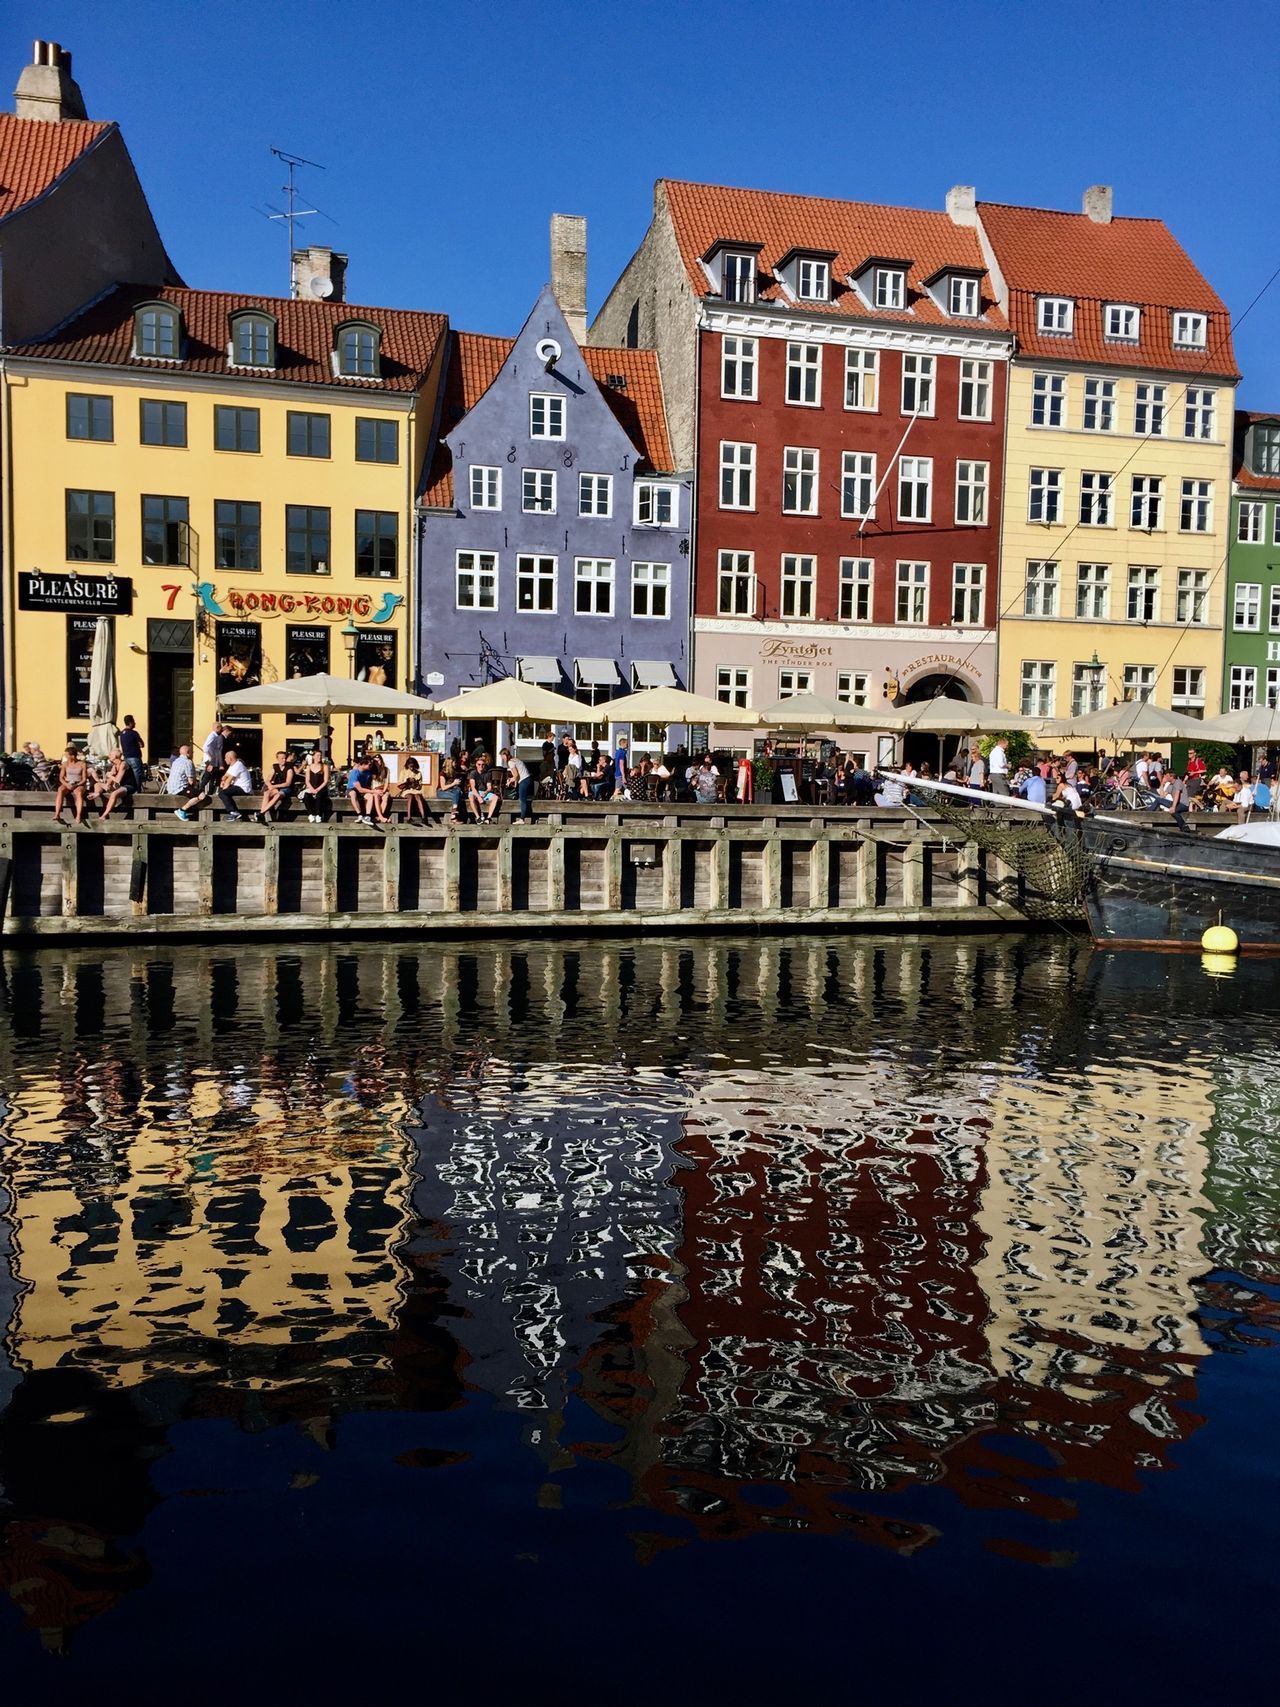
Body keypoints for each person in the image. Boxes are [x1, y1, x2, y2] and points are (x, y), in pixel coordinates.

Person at [254, 751, 297, 823]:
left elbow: (288, 783)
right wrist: (270, 785)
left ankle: (262, 813)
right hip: (277, 787)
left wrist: (274, 786)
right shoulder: (275, 767)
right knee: (267, 793)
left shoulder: (289, 768)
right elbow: (268, 779)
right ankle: (261, 815)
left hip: (286, 789)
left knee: (278, 795)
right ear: (277, 759)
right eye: (282, 758)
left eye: (285, 758)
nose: (284, 760)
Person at [95, 748, 136, 823]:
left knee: (114, 794)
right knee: (97, 784)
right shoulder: (114, 765)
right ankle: (97, 793)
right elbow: (111, 779)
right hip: (119, 786)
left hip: (129, 786)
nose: (109, 755)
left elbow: (118, 780)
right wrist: (107, 785)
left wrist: (109, 775)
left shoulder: (123, 764)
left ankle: (104, 815)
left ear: (116, 756)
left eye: (111, 754)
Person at [54, 747, 90, 824]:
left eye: (67, 755)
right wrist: (67, 784)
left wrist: (76, 784)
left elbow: (84, 779)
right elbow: (61, 778)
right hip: (68, 783)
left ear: (72, 756)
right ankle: (57, 814)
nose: (66, 757)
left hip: (78, 783)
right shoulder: (65, 764)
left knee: (79, 793)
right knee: (60, 790)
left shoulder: (82, 764)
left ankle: (78, 815)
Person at [499, 749, 534, 822]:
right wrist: (514, 783)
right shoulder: (515, 760)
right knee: (522, 798)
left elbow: (516, 775)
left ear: (505, 755)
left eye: (502, 756)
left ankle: (522, 819)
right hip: (527, 779)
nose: (502, 758)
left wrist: (509, 781)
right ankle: (523, 817)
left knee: (522, 800)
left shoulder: (510, 762)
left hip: (524, 780)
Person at [299, 750, 332, 822]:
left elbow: (325, 780)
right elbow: (307, 780)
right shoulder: (309, 767)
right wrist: (312, 789)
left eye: (320, 755)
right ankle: (310, 814)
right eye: (317, 755)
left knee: (319, 796)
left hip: (321, 788)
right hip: (311, 787)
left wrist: (317, 789)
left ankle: (318, 815)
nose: (319, 757)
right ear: (313, 756)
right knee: (306, 796)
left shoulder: (324, 766)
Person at [468, 754, 501, 823]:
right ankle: (478, 817)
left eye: (482, 764)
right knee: (471, 797)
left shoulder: (487, 774)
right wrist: (478, 797)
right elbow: (473, 787)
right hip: (475, 792)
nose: (481, 766)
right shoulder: (473, 773)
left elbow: (489, 787)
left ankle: (489, 818)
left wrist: (485, 793)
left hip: (483, 792)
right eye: (479, 764)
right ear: (476, 765)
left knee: (495, 797)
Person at [346, 754, 376, 824]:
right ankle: (360, 815)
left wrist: (372, 791)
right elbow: (359, 789)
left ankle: (368, 816)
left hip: (363, 790)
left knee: (370, 796)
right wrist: (374, 791)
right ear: (363, 764)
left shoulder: (368, 772)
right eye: (369, 764)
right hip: (353, 789)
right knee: (353, 794)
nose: (370, 766)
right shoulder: (355, 772)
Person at [119, 715, 145, 793]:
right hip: (134, 757)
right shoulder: (134, 733)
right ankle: (137, 791)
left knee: (129, 776)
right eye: (133, 721)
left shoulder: (122, 733)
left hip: (126, 757)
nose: (135, 723)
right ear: (130, 723)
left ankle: (130, 789)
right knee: (137, 775)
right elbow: (141, 744)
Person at [398, 755, 428, 823]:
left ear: (415, 765)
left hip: (416, 790)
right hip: (407, 790)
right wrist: (407, 781)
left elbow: (420, 786)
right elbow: (399, 784)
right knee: (410, 796)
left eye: (412, 766)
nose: (411, 768)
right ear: (407, 765)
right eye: (410, 766)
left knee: (418, 797)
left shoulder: (418, 773)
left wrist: (416, 784)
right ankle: (409, 817)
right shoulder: (403, 772)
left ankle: (423, 817)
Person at [436, 756, 464, 824]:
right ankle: (454, 813)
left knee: (458, 791)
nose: (456, 764)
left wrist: (457, 784)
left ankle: (453, 816)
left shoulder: (454, 772)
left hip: (451, 792)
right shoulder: (443, 773)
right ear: (450, 764)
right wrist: (454, 783)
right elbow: (443, 788)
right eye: (454, 762)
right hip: (441, 792)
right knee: (457, 794)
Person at [614, 734, 630, 798]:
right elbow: (621, 764)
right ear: (623, 743)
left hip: (617, 773)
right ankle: (612, 802)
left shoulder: (617, 752)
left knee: (624, 789)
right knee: (617, 789)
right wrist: (623, 776)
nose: (628, 745)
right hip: (620, 774)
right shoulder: (622, 753)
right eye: (626, 743)